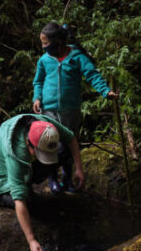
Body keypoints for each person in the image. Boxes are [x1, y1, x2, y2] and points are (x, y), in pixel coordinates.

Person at [0, 114, 82, 251]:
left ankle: (27, 179)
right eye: (39, 153)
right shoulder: (16, 154)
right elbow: (19, 200)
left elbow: (70, 138)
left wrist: (79, 169)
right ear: (28, 143)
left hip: (21, 161)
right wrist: (31, 240)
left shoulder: (47, 128)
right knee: (28, 201)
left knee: (63, 151)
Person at [32, 22, 118, 193]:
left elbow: (92, 75)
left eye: (45, 43)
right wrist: (37, 97)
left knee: (69, 143)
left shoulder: (77, 57)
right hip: (48, 110)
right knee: (50, 143)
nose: (43, 47)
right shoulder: (44, 61)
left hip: (70, 109)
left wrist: (105, 91)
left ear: (57, 41)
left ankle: (67, 178)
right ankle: (52, 179)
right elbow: (38, 81)